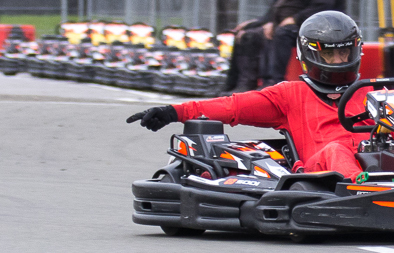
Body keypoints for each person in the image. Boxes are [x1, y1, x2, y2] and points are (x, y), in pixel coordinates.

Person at [127, 9, 371, 177]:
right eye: (329, 54)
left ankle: (386, 188)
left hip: (374, 165)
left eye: (344, 53)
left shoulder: (371, 92)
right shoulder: (290, 96)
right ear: (311, 54)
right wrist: (173, 112)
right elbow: (231, 107)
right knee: (336, 150)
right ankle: (363, 191)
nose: (339, 61)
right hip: (323, 174)